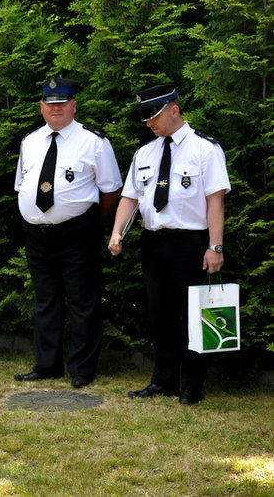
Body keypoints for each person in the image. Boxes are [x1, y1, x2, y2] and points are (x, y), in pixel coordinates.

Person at [108, 83, 230, 405]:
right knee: (160, 315)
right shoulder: (144, 153)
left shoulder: (205, 149)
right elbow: (129, 197)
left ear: (173, 109)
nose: (148, 122)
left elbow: (215, 202)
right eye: (144, 116)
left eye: (154, 114)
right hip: (153, 243)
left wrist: (214, 247)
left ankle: (192, 386)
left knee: (194, 316)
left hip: (190, 243)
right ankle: (163, 381)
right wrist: (117, 231)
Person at [13, 77, 123, 387]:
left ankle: (81, 370)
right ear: (41, 106)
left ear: (74, 105)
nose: (56, 108)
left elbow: (111, 191)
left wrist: (88, 223)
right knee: (45, 301)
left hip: (77, 233)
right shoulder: (30, 141)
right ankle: (47, 365)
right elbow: (22, 184)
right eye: (50, 103)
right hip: (37, 234)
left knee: (82, 302)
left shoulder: (94, 142)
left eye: (62, 102)